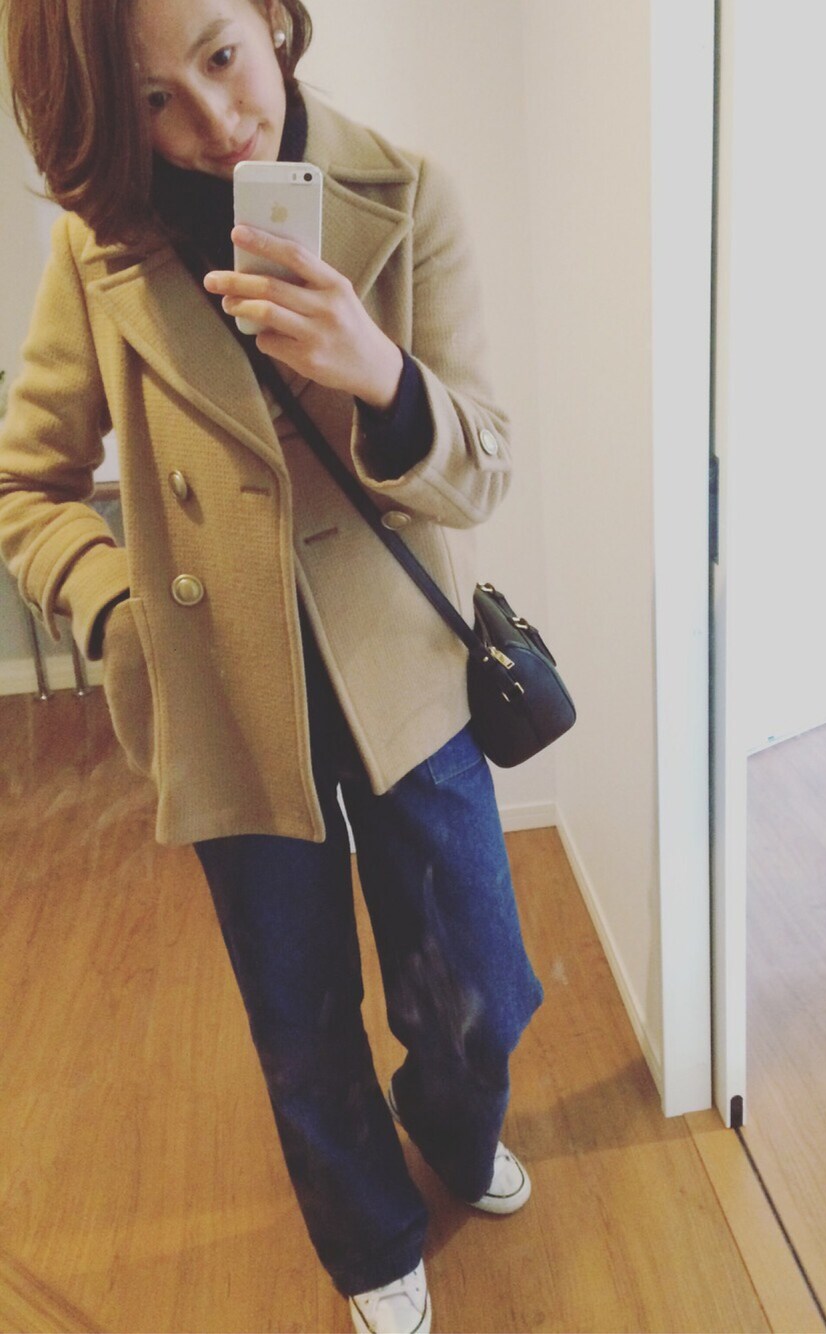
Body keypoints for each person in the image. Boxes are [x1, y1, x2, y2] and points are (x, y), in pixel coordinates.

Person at [0, 2, 543, 1331]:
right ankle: (370, 1242)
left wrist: (381, 376)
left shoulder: (406, 194)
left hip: (402, 677)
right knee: (301, 1022)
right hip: (225, 698)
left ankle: (452, 1126)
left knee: (478, 990)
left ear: (270, 18)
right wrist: (123, 613)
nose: (213, 120)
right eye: (150, 100)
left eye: (221, 54)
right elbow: (26, 486)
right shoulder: (100, 254)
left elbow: (483, 466)